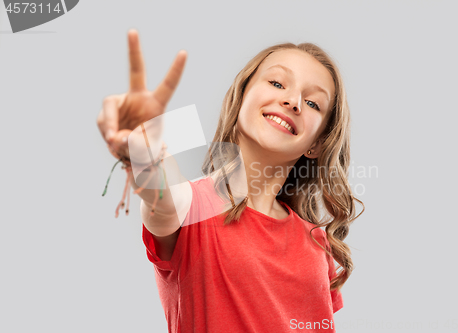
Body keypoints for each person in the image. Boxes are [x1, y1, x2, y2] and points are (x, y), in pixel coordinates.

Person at [97, 29, 364, 333]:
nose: (293, 101)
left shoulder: (318, 242)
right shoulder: (192, 207)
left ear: (317, 144)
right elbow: (160, 189)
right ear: (241, 99)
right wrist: (142, 140)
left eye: (313, 103)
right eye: (277, 83)